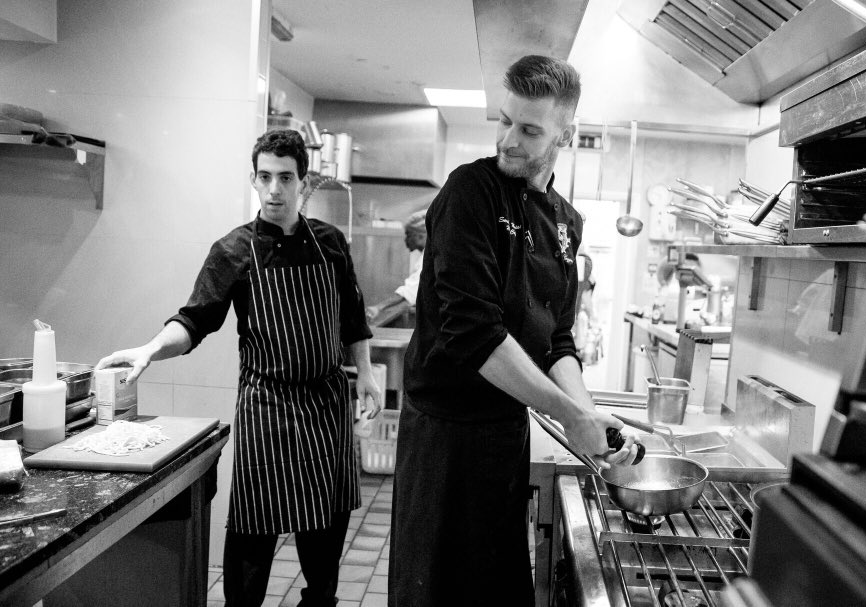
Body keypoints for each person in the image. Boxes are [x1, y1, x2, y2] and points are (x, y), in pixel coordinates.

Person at [388, 55, 639, 607]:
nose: (509, 140)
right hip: (443, 442)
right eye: (504, 121)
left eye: (529, 130)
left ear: (564, 136)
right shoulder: (469, 193)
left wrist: (587, 414)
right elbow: (474, 332)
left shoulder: (566, 224)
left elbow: (558, 342)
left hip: (503, 434)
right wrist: (571, 415)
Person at [95, 129, 382, 607]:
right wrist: (151, 347)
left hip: (326, 403)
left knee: (325, 539)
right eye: (265, 177)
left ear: (302, 183)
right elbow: (195, 320)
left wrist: (367, 374)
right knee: (252, 536)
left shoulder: (330, 243)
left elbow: (352, 318)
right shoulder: (233, 250)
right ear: (253, 179)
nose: (274, 189)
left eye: (285, 178)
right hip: (266, 406)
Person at [364, 209, 427, 323]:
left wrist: (379, 307)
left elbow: (408, 293)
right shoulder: (429, 255)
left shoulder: (429, 257)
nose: (405, 240)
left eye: (408, 234)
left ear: (420, 236)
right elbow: (410, 296)